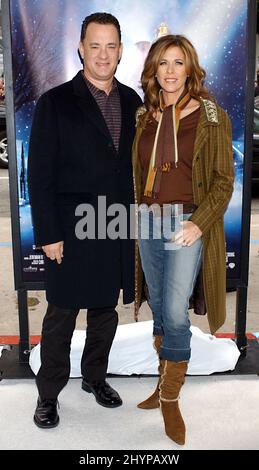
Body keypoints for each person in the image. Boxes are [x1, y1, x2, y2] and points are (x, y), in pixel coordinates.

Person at [28, 12, 142, 428]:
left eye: (111, 46)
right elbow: (38, 176)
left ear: (120, 51)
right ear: (80, 48)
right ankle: (48, 393)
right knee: (60, 315)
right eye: (95, 45)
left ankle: (95, 378)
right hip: (69, 231)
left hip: (113, 228)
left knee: (104, 312)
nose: (103, 54)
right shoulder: (55, 102)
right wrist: (49, 234)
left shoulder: (133, 101)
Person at [132, 34, 234, 445]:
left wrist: (199, 223)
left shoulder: (212, 116)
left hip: (186, 222)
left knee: (175, 312)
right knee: (159, 305)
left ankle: (171, 396)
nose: (170, 71)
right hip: (148, 220)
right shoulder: (146, 116)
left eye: (178, 62)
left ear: (189, 68)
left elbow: (224, 181)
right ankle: (162, 379)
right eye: (162, 63)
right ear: (153, 70)